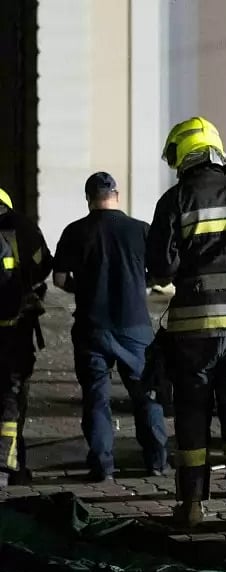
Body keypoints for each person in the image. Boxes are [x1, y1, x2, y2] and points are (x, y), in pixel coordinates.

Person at [148, 116, 226, 529]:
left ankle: (192, 505)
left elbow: (162, 269)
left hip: (192, 331)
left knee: (191, 414)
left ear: (184, 155)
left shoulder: (175, 200)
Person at [53, 172, 168, 480]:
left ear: (89, 198)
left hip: (92, 326)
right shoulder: (141, 230)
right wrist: (139, 283)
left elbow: (60, 279)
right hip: (135, 327)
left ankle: (103, 466)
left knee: (96, 398)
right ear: (116, 195)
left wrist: (86, 289)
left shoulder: (74, 232)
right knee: (147, 396)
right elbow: (161, 274)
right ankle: (156, 462)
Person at [0, 187, 52, 489]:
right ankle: (13, 467)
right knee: (12, 398)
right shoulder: (24, 227)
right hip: (15, 329)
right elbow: (44, 263)